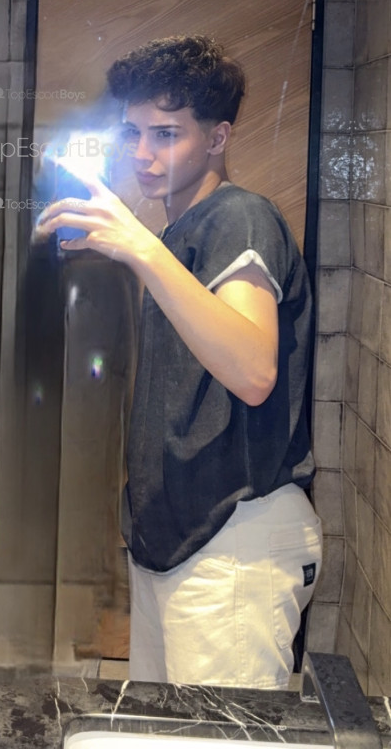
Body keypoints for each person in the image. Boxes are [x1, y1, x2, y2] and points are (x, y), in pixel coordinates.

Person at [35, 34, 321, 689]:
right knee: (162, 731)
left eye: (166, 134)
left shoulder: (239, 217)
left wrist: (140, 249)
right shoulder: (179, 234)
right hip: (182, 545)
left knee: (213, 735)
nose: (142, 153)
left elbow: (254, 372)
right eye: (132, 132)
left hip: (233, 546)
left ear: (217, 137)